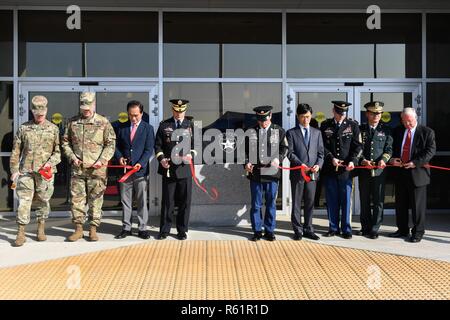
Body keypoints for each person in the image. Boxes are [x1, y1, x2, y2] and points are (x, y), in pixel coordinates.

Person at [62, 92, 116, 242]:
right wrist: (72, 157)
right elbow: (65, 142)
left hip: (97, 169)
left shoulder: (103, 122)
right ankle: (78, 229)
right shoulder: (73, 122)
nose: (86, 110)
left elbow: (110, 144)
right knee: (77, 200)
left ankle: (93, 229)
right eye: (83, 108)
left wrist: (102, 160)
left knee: (96, 200)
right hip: (78, 169)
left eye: (88, 107)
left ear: (94, 104)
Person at [9, 95, 61, 247]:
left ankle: (41, 228)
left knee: (43, 201)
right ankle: (21, 232)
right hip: (26, 171)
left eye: (42, 114)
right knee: (24, 202)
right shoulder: (24, 128)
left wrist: (49, 164)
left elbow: (58, 152)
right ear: (32, 112)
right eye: (37, 114)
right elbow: (15, 151)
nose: (40, 117)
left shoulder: (53, 129)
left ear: (46, 111)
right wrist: (14, 170)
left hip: (45, 173)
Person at [388, 107, 436, 243]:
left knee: (417, 206)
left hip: (417, 173)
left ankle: (418, 232)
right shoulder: (398, 131)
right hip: (400, 173)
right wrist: (392, 160)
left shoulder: (427, 132)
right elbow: (391, 148)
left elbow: (430, 151)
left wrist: (415, 163)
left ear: (415, 118)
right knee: (400, 204)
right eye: (404, 121)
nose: (407, 124)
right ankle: (402, 229)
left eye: (409, 121)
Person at [244, 106, 288, 241]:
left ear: (270, 116)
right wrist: (246, 162)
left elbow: (285, 148)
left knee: (271, 203)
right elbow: (243, 151)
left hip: (272, 173)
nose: (263, 123)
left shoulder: (278, 131)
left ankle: (269, 230)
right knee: (256, 204)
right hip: (256, 173)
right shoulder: (251, 132)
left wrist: (278, 159)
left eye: (265, 120)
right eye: (260, 120)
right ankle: (257, 230)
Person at [154, 99, 196, 240]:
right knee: (168, 202)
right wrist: (161, 159)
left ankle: (182, 230)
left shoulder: (190, 125)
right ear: (172, 110)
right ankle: (165, 230)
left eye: (181, 111)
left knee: (184, 201)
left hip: (184, 169)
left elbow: (198, 145)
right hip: (169, 169)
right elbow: (157, 146)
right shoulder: (164, 125)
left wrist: (191, 155)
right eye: (176, 111)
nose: (179, 114)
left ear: (185, 110)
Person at [320, 101, 362, 239]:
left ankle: (346, 228)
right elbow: (322, 146)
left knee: (346, 201)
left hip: (346, 170)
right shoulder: (325, 125)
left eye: (343, 113)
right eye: (339, 113)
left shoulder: (353, 125)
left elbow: (358, 147)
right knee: (332, 200)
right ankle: (333, 227)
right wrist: (331, 157)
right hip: (330, 169)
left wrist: (353, 160)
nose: (341, 116)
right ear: (333, 111)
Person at [114, 100, 155, 240]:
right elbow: (116, 147)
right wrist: (119, 158)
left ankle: (142, 228)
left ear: (142, 113)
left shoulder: (148, 128)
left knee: (142, 200)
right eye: (131, 115)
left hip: (140, 172)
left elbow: (149, 149)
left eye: (136, 115)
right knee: (126, 201)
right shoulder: (122, 128)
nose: (133, 118)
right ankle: (126, 228)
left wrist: (141, 163)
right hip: (125, 172)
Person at [286, 103, 324, 241]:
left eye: (308, 117)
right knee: (296, 202)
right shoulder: (291, 133)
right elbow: (289, 153)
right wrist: (301, 164)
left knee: (310, 202)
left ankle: (308, 229)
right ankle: (297, 230)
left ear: (311, 116)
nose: (305, 120)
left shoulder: (317, 133)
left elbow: (321, 153)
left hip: (312, 174)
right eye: (302, 117)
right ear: (297, 117)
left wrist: (318, 166)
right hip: (298, 173)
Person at [357, 101, 393, 239]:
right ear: (367, 114)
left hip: (379, 171)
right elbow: (357, 149)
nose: (377, 116)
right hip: (364, 170)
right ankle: (365, 227)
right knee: (364, 199)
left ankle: (375, 228)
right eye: (374, 113)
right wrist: (362, 160)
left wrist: (384, 159)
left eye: (379, 113)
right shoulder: (361, 129)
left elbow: (389, 149)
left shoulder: (386, 130)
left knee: (378, 201)